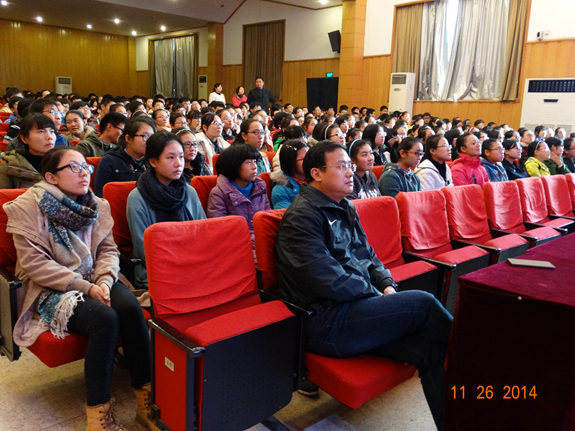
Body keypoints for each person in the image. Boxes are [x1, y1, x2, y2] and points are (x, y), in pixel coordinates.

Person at [275, 141, 452, 430]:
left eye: (349, 165)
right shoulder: (301, 217)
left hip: (359, 309)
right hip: (327, 322)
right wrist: (379, 299)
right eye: (342, 166)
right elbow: (328, 280)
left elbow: (369, 256)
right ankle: (479, 356)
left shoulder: (344, 206)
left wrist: (386, 286)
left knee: (431, 353)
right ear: (317, 174)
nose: (350, 172)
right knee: (421, 303)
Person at [4, 146, 157, 430]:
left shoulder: (96, 204)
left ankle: (147, 401)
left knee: (131, 308)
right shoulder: (26, 207)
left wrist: (103, 280)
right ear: (51, 176)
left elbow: (108, 250)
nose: (83, 173)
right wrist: (86, 287)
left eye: (85, 166)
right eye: (73, 168)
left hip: (95, 277)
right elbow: (35, 265)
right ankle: (97, 415)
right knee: (104, 318)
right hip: (52, 286)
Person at [127, 132, 206, 289]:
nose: (178, 163)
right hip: (157, 269)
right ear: (153, 162)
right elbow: (143, 249)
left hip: (193, 262)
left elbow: (203, 231)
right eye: (171, 158)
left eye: (181, 157)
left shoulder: (188, 191)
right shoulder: (137, 197)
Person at [208, 144, 270, 251]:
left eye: (254, 161)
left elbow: (268, 219)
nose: (255, 167)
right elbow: (220, 230)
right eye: (249, 162)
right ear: (234, 165)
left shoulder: (260, 188)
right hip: (237, 246)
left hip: (263, 241)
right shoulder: (219, 193)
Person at [94, 117, 156, 197]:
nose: (149, 141)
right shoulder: (109, 161)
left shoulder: (154, 160)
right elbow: (100, 196)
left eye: (152, 137)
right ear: (128, 138)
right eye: (145, 136)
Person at [0, 113, 56, 189]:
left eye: (52, 131)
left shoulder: (63, 161)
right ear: (24, 138)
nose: (50, 137)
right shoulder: (9, 166)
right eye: (41, 131)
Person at [270, 140, 308, 209]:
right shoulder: (280, 191)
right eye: (305, 159)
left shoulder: (317, 179)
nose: (310, 161)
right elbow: (289, 217)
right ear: (291, 163)